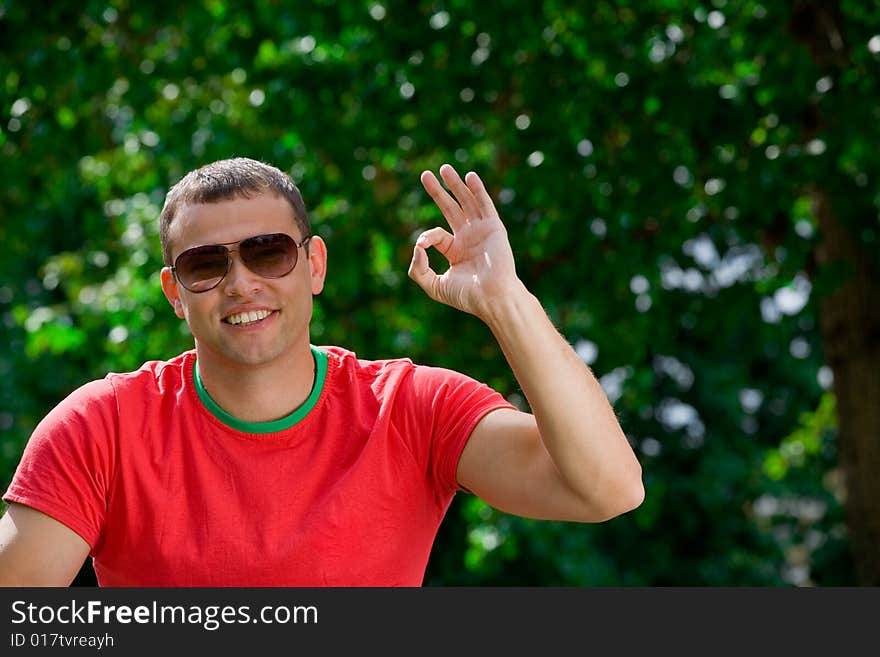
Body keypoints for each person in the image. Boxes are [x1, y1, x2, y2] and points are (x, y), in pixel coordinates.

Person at [0, 157, 643, 586]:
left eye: (269, 252)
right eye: (205, 265)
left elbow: (608, 490)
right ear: (175, 292)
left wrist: (506, 302)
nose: (241, 284)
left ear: (315, 266)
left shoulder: (411, 408)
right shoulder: (100, 426)